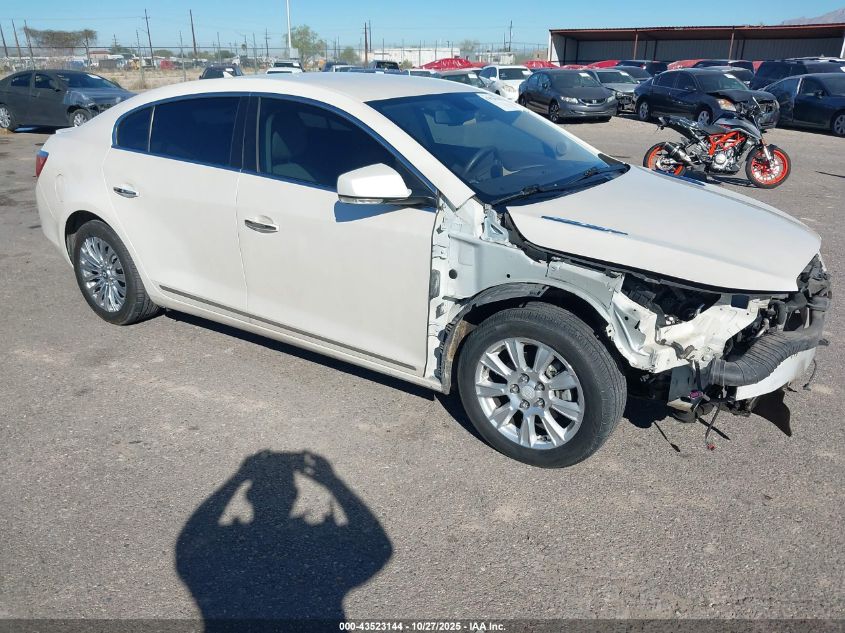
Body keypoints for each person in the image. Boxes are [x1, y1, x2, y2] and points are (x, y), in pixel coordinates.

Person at [176, 450, 393, 630]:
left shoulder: (227, 551)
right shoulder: (318, 554)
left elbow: (192, 537)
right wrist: (333, 483)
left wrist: (238, 478)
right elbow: (376, 546)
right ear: (295, 495)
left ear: (248, 495)